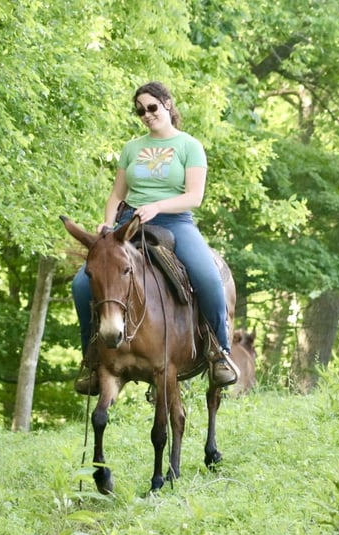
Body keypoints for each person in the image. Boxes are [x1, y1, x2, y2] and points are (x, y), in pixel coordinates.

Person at [71, 81, 238, 392]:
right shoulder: (132, 148)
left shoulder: (190, 146)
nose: (147, 114)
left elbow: (194, 196)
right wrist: (108, 226)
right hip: (128, 224)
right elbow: (115, 194)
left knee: (208, 277)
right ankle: (93, 360)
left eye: (152, 107)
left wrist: (158, 206)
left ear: (167, 105)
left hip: (176, 221)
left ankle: (219, 353)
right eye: (140, 111)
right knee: (81, 284)